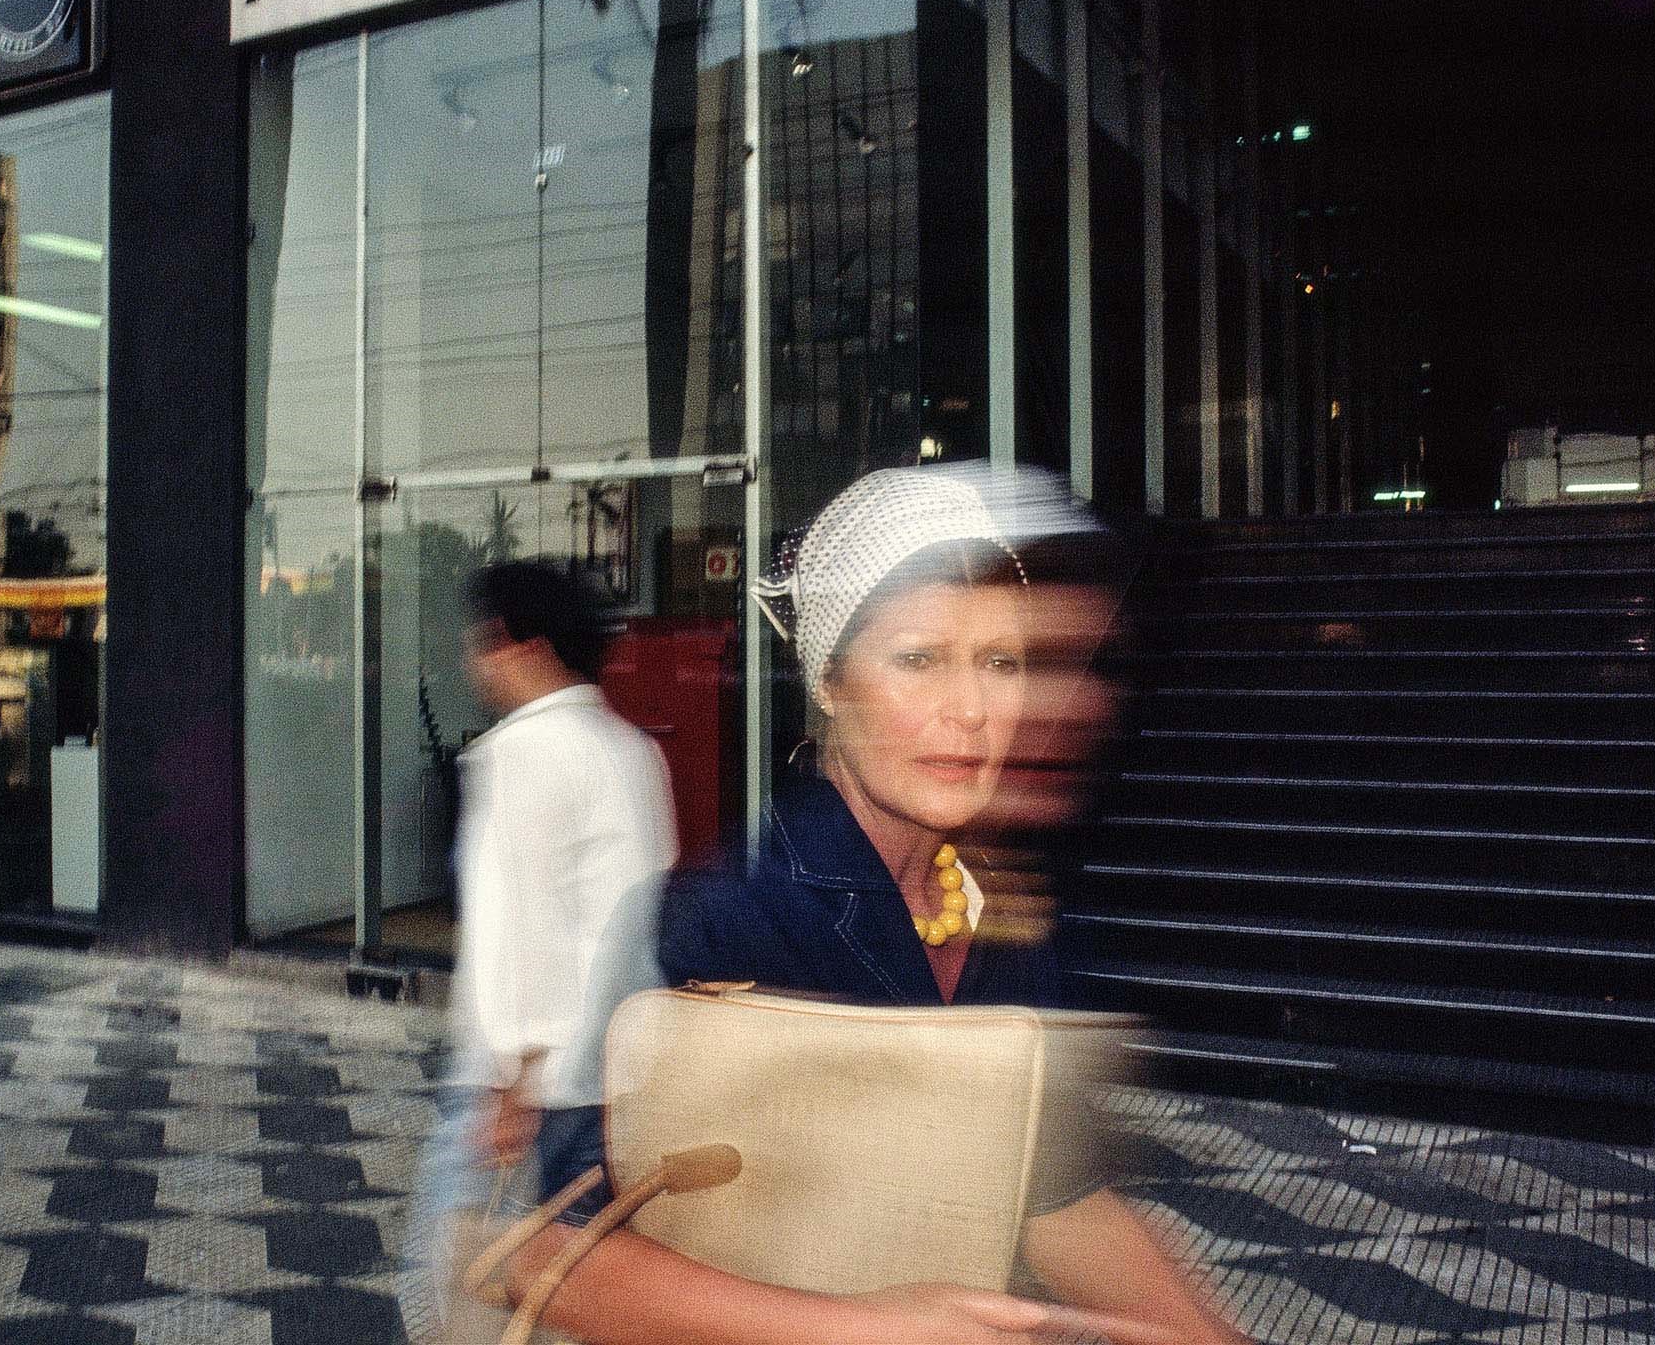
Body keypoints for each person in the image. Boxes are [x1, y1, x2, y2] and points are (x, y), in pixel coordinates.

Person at [487, 469, 1246, 1345]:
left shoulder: (1004, 912)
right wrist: (861, 1327)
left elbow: (1052, 1192)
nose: (972, 709)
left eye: (1001, 662)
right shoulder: (720, 915)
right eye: (919, 659)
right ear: (832, 681)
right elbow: (544, 1251)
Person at [402, 559, 678, 1341]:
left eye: (477, 641)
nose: (472, 660)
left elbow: (514, 931)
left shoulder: (521, 752)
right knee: (580, 1289)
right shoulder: (631, 749)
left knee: (462, 1286)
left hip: (529, 1082)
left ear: (514, 641)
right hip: (616, 1074)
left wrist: (509, 1084)